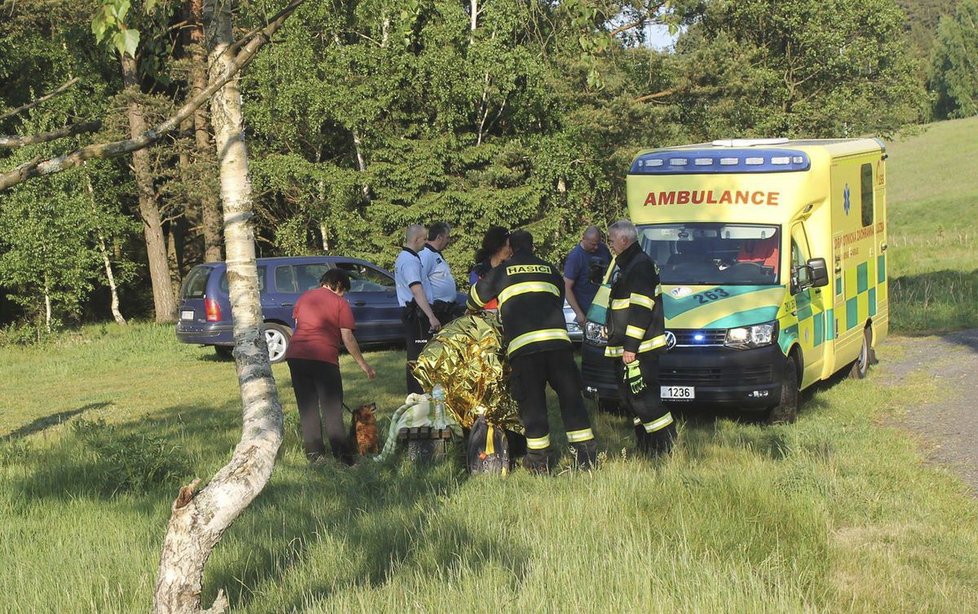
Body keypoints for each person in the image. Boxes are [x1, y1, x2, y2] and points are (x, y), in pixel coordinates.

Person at [468, 230, 597, 472]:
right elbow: (555, 301)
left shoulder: (502, 272)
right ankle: (586, 458)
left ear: (511, 248)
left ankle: (539, 462)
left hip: (525, 350)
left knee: (533, 405)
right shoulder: (551, 270)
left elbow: (473, 299)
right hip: (559, 346)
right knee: (572, 401)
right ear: (533, 246)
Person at [285, 269, 376, 464]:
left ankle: (315, 456)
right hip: (323, 357)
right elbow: (348, 337)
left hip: (296, 356)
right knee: (332, 408)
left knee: (307, 407)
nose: (344, 294)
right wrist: (364, 365)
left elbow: (298, 326)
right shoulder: (339, 302)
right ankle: (344, 459)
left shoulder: (304, 297)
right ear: (338, 285)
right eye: (344, 290)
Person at [605, 220, 675, 457]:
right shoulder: (629, 264)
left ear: (625, 240)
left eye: (612, 240)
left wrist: (630, 347)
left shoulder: (639, 266)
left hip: (640, 350)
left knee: (644, 399)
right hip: (631, 348)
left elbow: (641, 308)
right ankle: (647, 447)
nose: (611, 245)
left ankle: (665, 445)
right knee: (632, 400)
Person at [395, 224, 441, 394]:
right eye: (424, 238)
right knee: (418, 356)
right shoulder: (409, 261)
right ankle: (418, 394)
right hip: (416, 314)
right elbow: (416, 289)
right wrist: (431, 315)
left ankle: (422, 391)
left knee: (420, 354)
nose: (426, 241)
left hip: (415, 312)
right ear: (416, 239)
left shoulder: (408, 258)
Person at [563, 226, 612, 327]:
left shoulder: (603, 249)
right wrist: (579, 313)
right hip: (588, 312)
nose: (596, 247)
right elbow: (566, 287)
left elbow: (612, 270)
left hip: (606, 308)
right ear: (583, 239)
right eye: (593, 244)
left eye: (598, 243)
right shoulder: (575, 257)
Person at [420, 221, 463, 323]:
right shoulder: (426, 254)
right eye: (447, 237)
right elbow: (419, 282)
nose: (448, 240)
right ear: (439, 237)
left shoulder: (436, 254)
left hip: (445, 309)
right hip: (436, 310)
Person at [468, 226, 512, 311]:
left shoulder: (510, 269)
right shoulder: (478, 271)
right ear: (498, 247)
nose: (511, 250)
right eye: (508, 246)